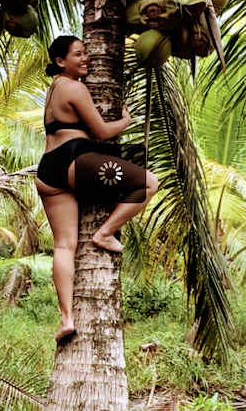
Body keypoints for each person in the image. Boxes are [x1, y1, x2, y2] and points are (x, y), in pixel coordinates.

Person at [36, 35, 159, 342]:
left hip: (49, 170)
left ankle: (66, 319)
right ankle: (104, 232)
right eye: (78, 54)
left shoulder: (53, 90)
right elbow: (102, 132)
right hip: (76, 161)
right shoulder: (74, 87)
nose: (85, 59)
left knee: (64, 245)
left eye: (86, 54)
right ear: (60, 61)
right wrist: (126, 121)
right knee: (149, 183)